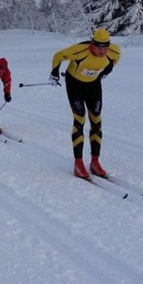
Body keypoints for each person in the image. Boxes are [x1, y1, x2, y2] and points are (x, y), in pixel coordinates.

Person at [49, 28, 121, 180]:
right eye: (98, 47)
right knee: (80, 119)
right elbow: (58, 56)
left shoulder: (114, 51)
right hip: (74, 84)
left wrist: (105, 72)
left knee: (96, 120)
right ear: (92, 44)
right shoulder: (79, 50)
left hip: (93, 85)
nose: (102, 52)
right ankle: (78, 163)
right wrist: (54, 72)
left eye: (105, 47)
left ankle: (95, 162)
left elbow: (114, 60)